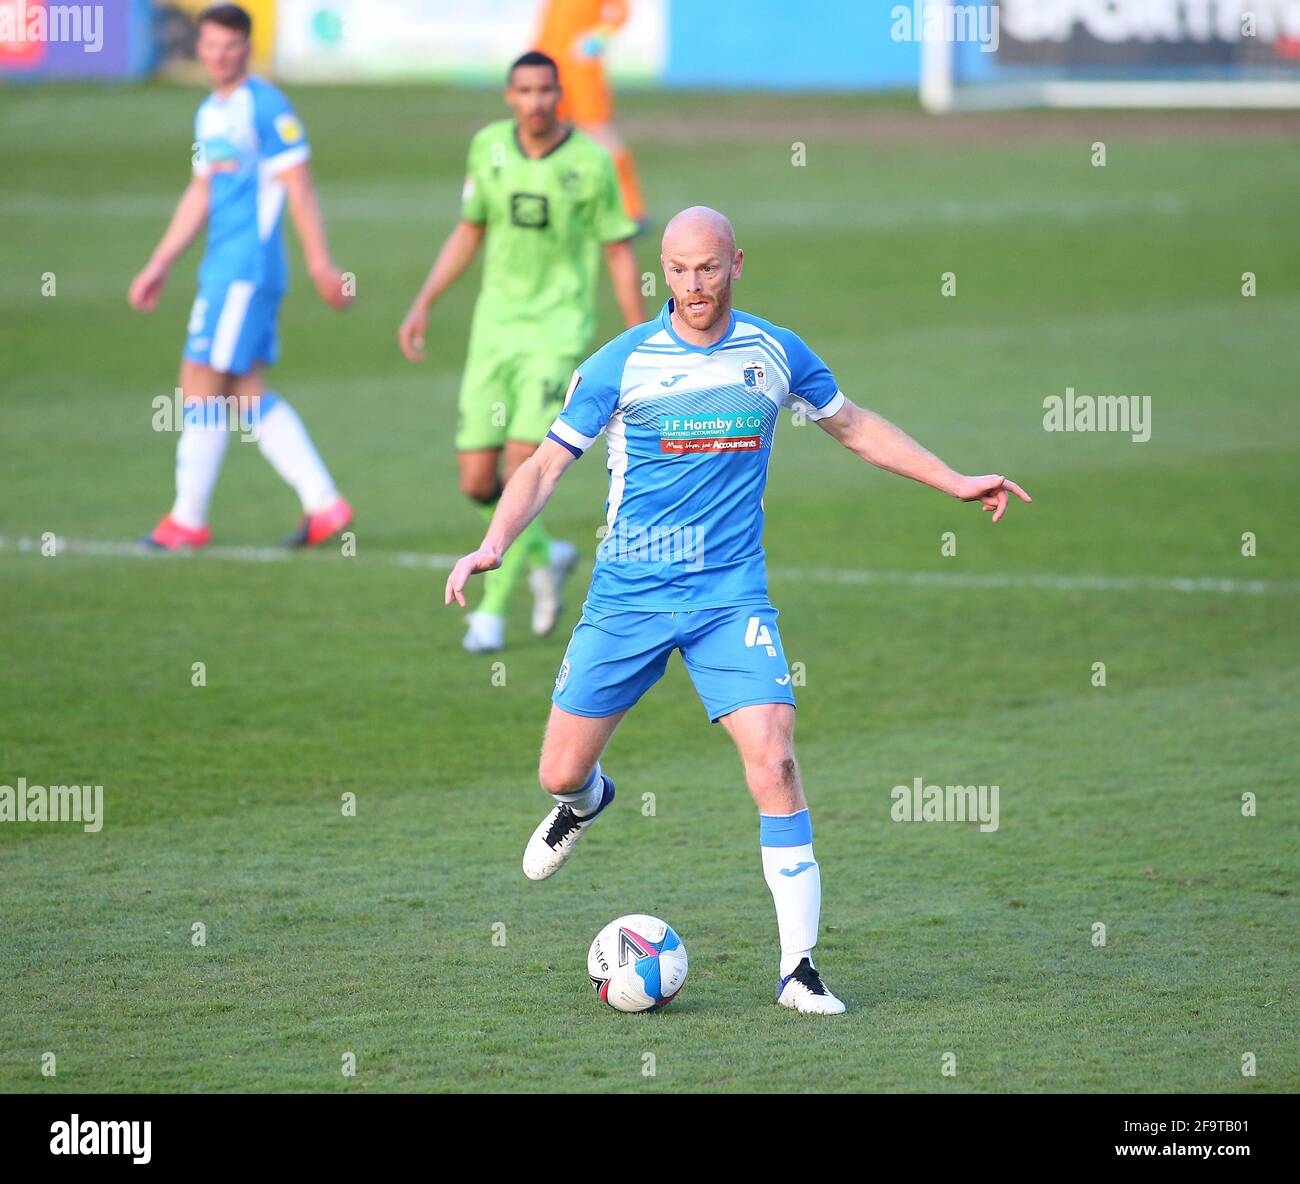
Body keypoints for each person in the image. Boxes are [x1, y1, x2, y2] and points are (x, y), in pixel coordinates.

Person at [444, 206, 1032, 1013]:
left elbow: (854, 427)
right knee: (559, 770)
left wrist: (956, 480)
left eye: (709, 268)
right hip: (630, 593)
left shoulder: (774, 353)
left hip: (729, 594)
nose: (694, 285)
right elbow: (545, 466)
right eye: (680, 270)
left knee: (776, 761)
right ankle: (585, 803)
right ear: (663, 273)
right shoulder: (622, 365)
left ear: (737, 264)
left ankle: (799, 971)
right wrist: (495, 541)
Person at [399, 50, 644, 653]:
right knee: (476, 481)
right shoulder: (488, 148)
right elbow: (471, 226)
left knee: (518, 470)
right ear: (509, 97)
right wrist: (425, 300)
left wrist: (642, 335)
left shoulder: (591, 162)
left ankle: (491, 613)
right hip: (494, 333)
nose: (534, 101)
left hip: (555, 335)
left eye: (544, 91)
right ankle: (547, 553)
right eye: (523, 91)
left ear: (559, 94)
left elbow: (617, 248)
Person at [129, 3, 353, 550]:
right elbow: (202, 190)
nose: (219, 57)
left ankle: (187, 519)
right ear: (199, 48)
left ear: (246, 49)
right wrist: (161, 262)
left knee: (200, 381)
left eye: (230, 47)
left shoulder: (266, 106)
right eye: (210, 46)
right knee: (244, 393)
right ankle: (323, 504)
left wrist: (321, 263)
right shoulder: (210, 112)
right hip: (223, 269)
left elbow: (298, 185)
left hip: (245, 272)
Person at [534, 0, 648, 227]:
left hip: (581, 67)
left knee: (597, 131)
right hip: (551, 62)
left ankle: (631, 208)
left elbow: (620, 12)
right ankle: (553, 201)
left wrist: (596, 38)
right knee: (546, 132)